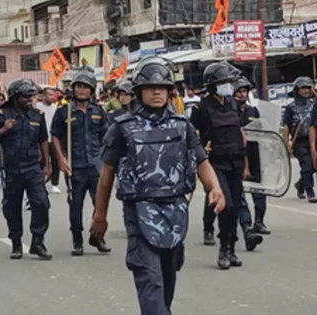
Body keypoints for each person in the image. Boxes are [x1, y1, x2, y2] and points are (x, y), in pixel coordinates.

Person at [90, 56, 226, 315]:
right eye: (151, 87)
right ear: (139, 91)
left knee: (167, 279)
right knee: (149, 279)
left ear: (169, 91)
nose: (156, 92)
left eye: (162, 87)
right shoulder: (122, 128)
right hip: (139, 210)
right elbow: (107, 173)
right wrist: (100, 216)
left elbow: (201, 161)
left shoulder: (182, 126)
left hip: (175, 211)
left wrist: (215, 188)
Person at [190, 61, 249, 269]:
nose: (229, 86)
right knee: (227, 206)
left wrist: (246, 162)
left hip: (235, 161)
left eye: (229, 82)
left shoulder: (233, 104)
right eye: (224, 82)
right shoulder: (201, 108)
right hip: (215, 164)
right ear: (213, 85)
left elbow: (240, 132)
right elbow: (192, 136)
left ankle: (231, 250)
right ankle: (223, 250)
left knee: (235, 207)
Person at [0, 79, 52, 260]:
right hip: (12, 169)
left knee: (41, 203)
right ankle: (16, 241)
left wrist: (47, 164)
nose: (29, 99)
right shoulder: (2, 114)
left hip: (33, 167)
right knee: (12, 207)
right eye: (25, 96)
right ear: (15, 97)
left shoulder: (37, 115)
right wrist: (3, 130)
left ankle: (38, 241)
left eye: (31, 96)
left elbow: (43, 140)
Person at [51, 69, 111, 256]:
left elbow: (106, 136)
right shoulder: (64, 111)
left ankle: (97, 236)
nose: (81, 90)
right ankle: (77, 241)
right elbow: (55, 136)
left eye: (85, 87)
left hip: (96, 165)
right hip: (74, 166)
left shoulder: (99, 111)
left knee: (99, 203)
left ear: (92, 90)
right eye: (78, 86)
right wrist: (61, 158)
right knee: (75, 204)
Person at [234, 77, 270, 240]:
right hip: (235, 156)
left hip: (255, 155)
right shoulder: (229, 112)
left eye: (244, 91)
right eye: (239, 92)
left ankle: (259, 221)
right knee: (238, 193)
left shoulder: (253, 111)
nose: (242, 95)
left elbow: (263, 132)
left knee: (259, 191)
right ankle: (245, 223)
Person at [288, 77, 317, 203]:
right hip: (299, 142)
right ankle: (310, 190)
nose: (306, 91)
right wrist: (286, 144)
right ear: (297, 90)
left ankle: (301, 184)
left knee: (313, 167)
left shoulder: (314, 105)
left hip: (314, 140)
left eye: (308, 88)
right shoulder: (291, 107)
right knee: (307, 165)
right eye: (303, 88)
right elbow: (286, 126)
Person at [36, 87, 60, 194]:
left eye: (53, 95)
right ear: (44, 96)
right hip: (41, 139)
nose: (52, 97)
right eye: (50, 95)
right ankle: (40, 183)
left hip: (53, 139)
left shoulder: (56, 108)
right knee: (41, 162)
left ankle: (55, 184)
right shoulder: (37, 107)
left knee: (56, 162)